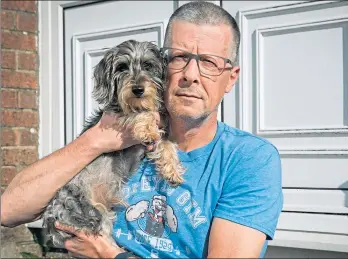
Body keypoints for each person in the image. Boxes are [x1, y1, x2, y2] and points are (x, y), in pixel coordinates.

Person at [1, 1, 283, 258]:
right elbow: (8, 210)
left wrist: (110, 255)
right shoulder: (115, 136)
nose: (190, 75)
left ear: (231, 78)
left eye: (208, 62)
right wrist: (95, 140)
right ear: (164, 67)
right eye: (179, 57)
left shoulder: (249, 160)